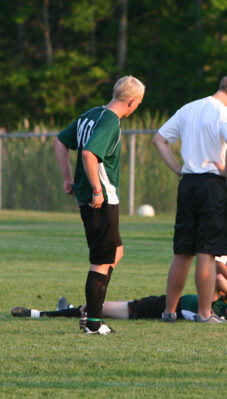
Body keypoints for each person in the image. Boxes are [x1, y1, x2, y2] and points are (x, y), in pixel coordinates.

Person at [152, 75, 227, 323]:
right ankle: (204, 314)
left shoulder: (188, 109)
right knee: (206, 253)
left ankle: (169, 311)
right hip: (212, 186)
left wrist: (177, 168)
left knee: (182, 251)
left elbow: (159, 139)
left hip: (188, 185)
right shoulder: (226, 115)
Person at [54, 75, 145, 335]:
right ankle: (93, 322)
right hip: (100, 198)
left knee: (115, 252)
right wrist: (96, 189)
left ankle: (94, 308)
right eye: (138, 102)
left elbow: (60, 141)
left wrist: (67, 179)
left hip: (91, 194)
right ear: (132, 101)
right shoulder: (110, 121)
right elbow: (88, 153)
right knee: (101, 260)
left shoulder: (91, 114)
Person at [10, 274, 227, 322]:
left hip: (157, 311)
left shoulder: (220, 317)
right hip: (158, 303)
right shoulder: (220, 300)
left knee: (94, 309)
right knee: (94, 308)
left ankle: (43, 313)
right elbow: (220, 279)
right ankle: (49, 312)